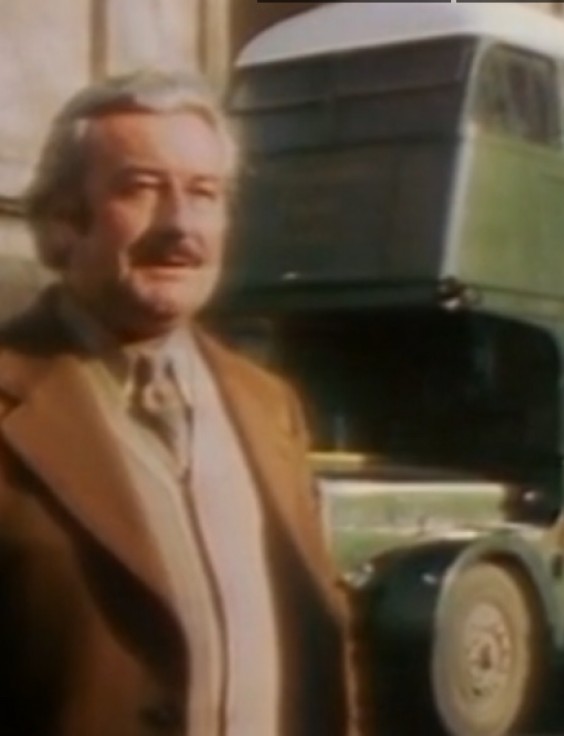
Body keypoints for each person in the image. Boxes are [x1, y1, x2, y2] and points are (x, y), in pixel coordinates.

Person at [0, 71, 359, 735]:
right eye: (141, 189)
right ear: (60, 223)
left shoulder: (268, 404)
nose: (180, 225)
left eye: (204, 194)